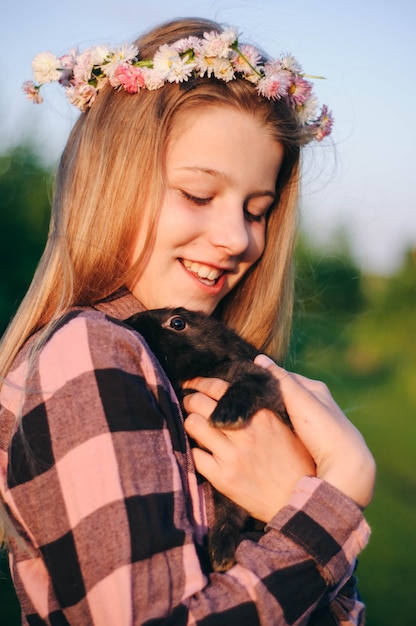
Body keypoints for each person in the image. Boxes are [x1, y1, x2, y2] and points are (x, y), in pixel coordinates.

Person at [0, 17, 375, 625]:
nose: (235, 239)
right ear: (111, 182)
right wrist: (336, 496)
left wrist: (286, 503)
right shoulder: (93, 352)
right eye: (198, 195)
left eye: (258, 210)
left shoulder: (175, 367)